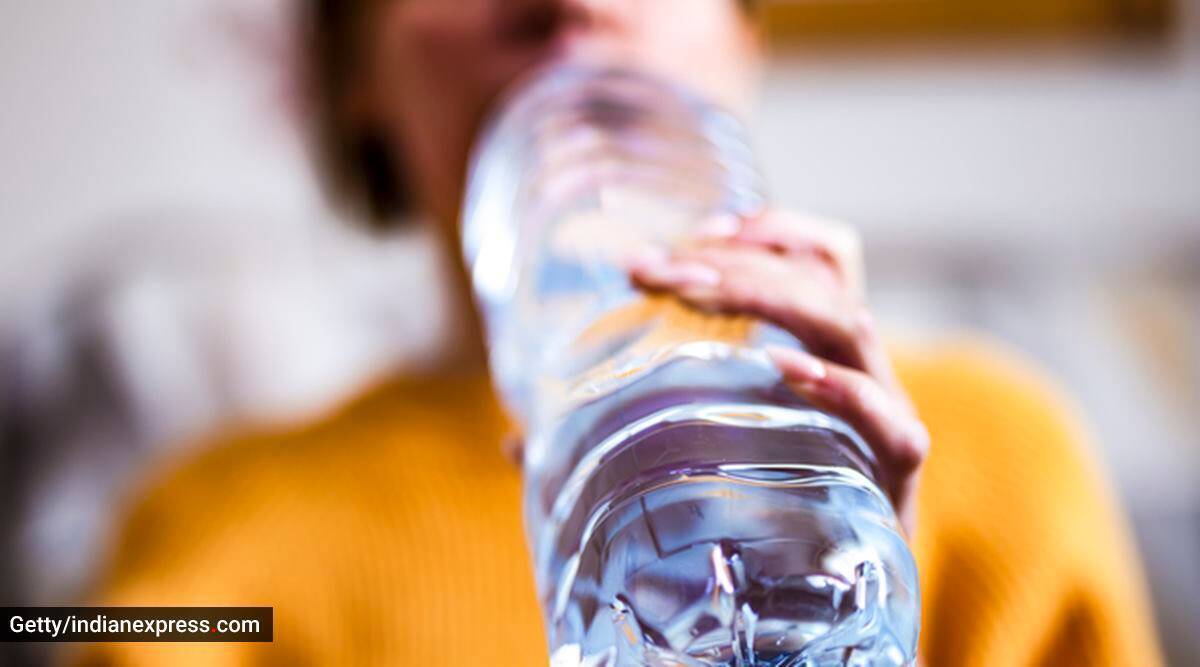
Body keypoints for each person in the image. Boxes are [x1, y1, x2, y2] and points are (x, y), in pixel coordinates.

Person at [80, 1, 1162, 665]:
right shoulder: (214, 542)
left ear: (744, 29)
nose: (568, 4)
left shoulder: (1005, 462)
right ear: (350, 68)